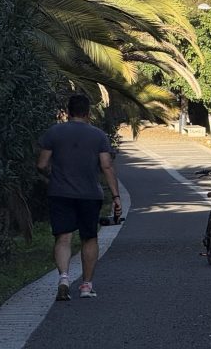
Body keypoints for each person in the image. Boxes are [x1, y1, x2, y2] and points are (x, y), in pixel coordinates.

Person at [37, 94, 121, 300]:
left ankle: (64, 279)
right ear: (88, 112)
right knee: (89, 238)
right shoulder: (98, 136)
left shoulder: (54, 132)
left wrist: (53, 177)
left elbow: (41, 164)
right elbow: (106, 166)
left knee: (63, 237)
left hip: (59, 192)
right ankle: (86, 286)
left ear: (68, 111)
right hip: (89, 194)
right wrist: (116, 196)